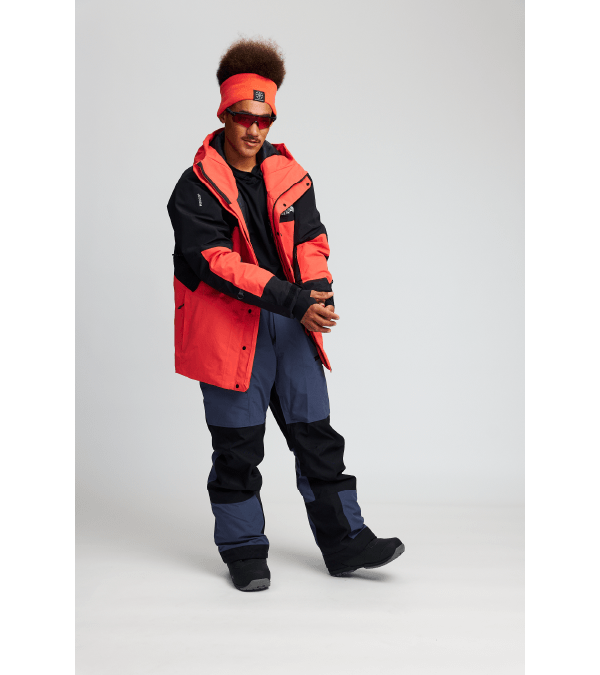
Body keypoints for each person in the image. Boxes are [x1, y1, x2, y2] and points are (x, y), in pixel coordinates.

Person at [167, 37, 404, 591]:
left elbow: (311, 242)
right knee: (238, 448)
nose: (254, 130)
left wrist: (317, 295)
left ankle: (345, 542)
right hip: (230, 328)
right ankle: (244, 550)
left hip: (291, 325)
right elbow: (217, 265)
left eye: (264, 118)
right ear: (223, 113)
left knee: (317, 437)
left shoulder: (291, 174)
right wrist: (296, 299)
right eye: (243, 117)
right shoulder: (193, 189)